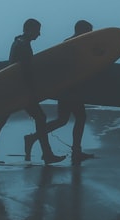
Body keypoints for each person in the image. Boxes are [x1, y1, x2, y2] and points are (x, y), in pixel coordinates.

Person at [0, 18, 66, 165]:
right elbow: (25, 72)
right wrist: (32, 92)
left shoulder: (19, 42)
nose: (39, 34)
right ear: (28, 29)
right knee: (37, 118)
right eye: (37, 30)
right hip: (18, 91)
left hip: (13, 89)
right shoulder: (23, 45)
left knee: (2, 122)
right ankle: (46, 154)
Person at [24, 19, 95, 164]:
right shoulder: (73, 45)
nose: (91, 34)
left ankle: (33, 137)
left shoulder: (71, 43)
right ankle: (76, 151)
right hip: (70, 89)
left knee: (63, 120)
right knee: (79, 118)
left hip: (68, 89)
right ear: (82, 31)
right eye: (89, 31)